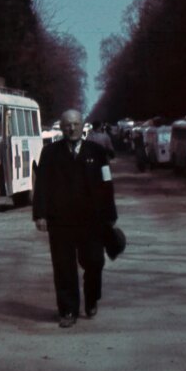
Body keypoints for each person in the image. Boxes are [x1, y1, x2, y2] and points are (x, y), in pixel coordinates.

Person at [33, 109, 118, 328]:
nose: (72, 128)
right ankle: (68, 310)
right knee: (63, 267)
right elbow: (41, 185)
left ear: (83, 126)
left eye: (76, 124)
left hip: (92, 221)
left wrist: (110, 215)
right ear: (61, 127)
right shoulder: (50, 153)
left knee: (94, 262)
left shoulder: (97, 152)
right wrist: (40, 214)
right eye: (67, 125)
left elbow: (107, 185)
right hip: (60, 221)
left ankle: (91, 298)